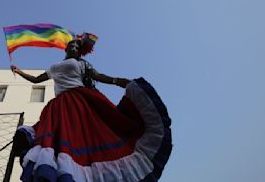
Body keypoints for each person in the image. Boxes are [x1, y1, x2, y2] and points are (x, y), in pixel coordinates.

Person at [11, 37, 172, 182]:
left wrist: (118, 81)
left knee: (88, 135)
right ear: (65, 49)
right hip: (60, 105)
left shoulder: (82, 64)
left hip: (80, 99)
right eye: (71, 45)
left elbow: (99, 76)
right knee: (62, 138)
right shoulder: (55, 67)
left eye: (77, 46)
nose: (74, 48)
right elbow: (36, 79)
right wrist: (19, 71)